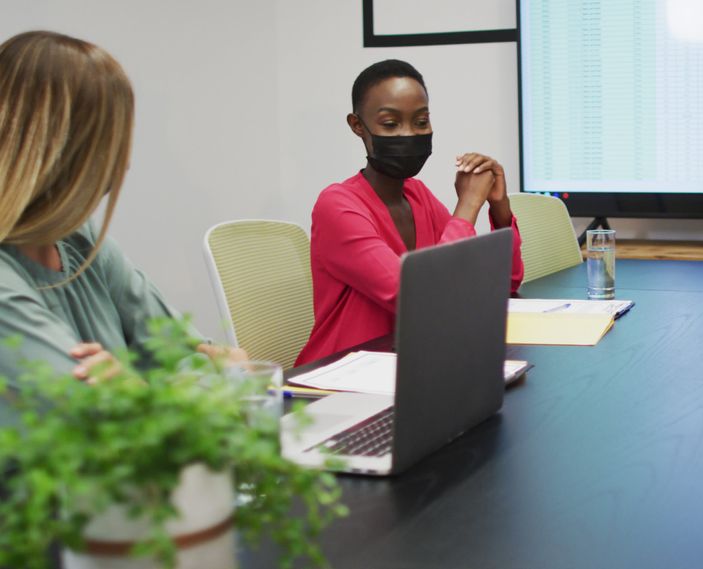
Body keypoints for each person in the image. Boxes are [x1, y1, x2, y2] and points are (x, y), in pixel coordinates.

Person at [0, 31, 242, 425]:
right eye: (111, 141)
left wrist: (139, 391)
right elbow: (106, 423)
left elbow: (196, 356)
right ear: (62, 150)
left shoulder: (80, 239)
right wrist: (166, 390)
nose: (124, 162)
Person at [296, 60, 524, 366]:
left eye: (421, 121)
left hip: (413, 365)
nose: (409, 134)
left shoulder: (419, 196)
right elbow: (420, 299)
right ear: (357, 125)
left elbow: (503, 284)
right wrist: (468, 205)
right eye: (390, 124)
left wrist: (498, 207)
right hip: (341, 378)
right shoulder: (336, 205)